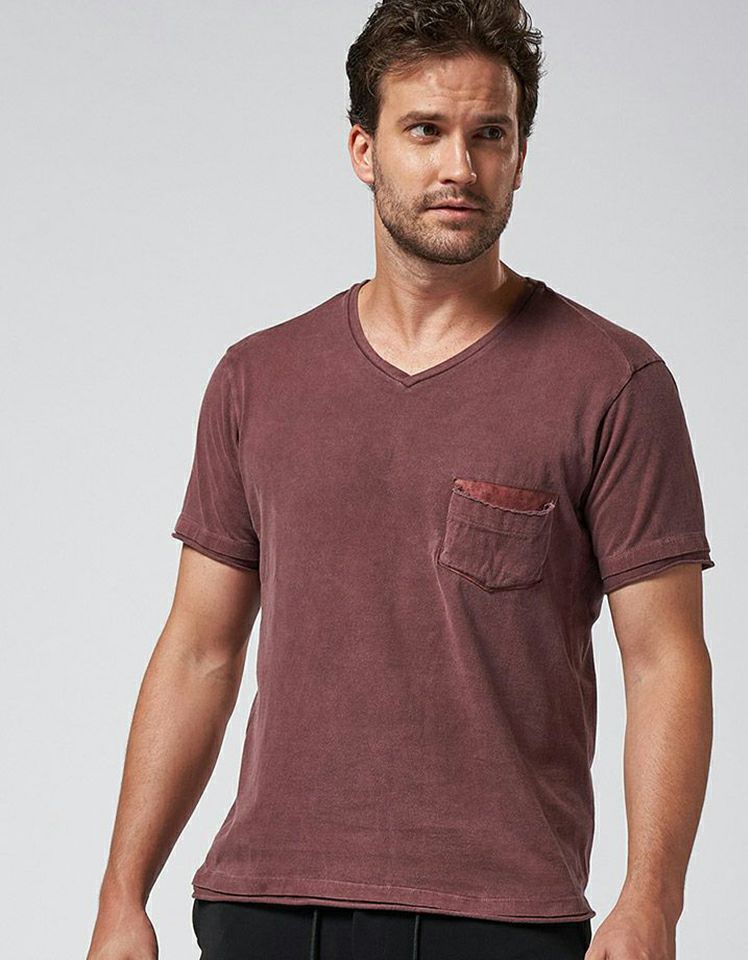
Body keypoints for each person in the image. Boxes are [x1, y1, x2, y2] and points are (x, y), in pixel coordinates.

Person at [87, 2, 715, 958]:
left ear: (519, 153)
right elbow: (199, 650)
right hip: (263, 908)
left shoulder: (611, 383)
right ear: (363, 149)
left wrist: (652, 901)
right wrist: (121, 896)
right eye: (424, 130)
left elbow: (665, 660)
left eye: (489, 134)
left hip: (502, 920)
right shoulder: (259, 379)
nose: (459, 166)